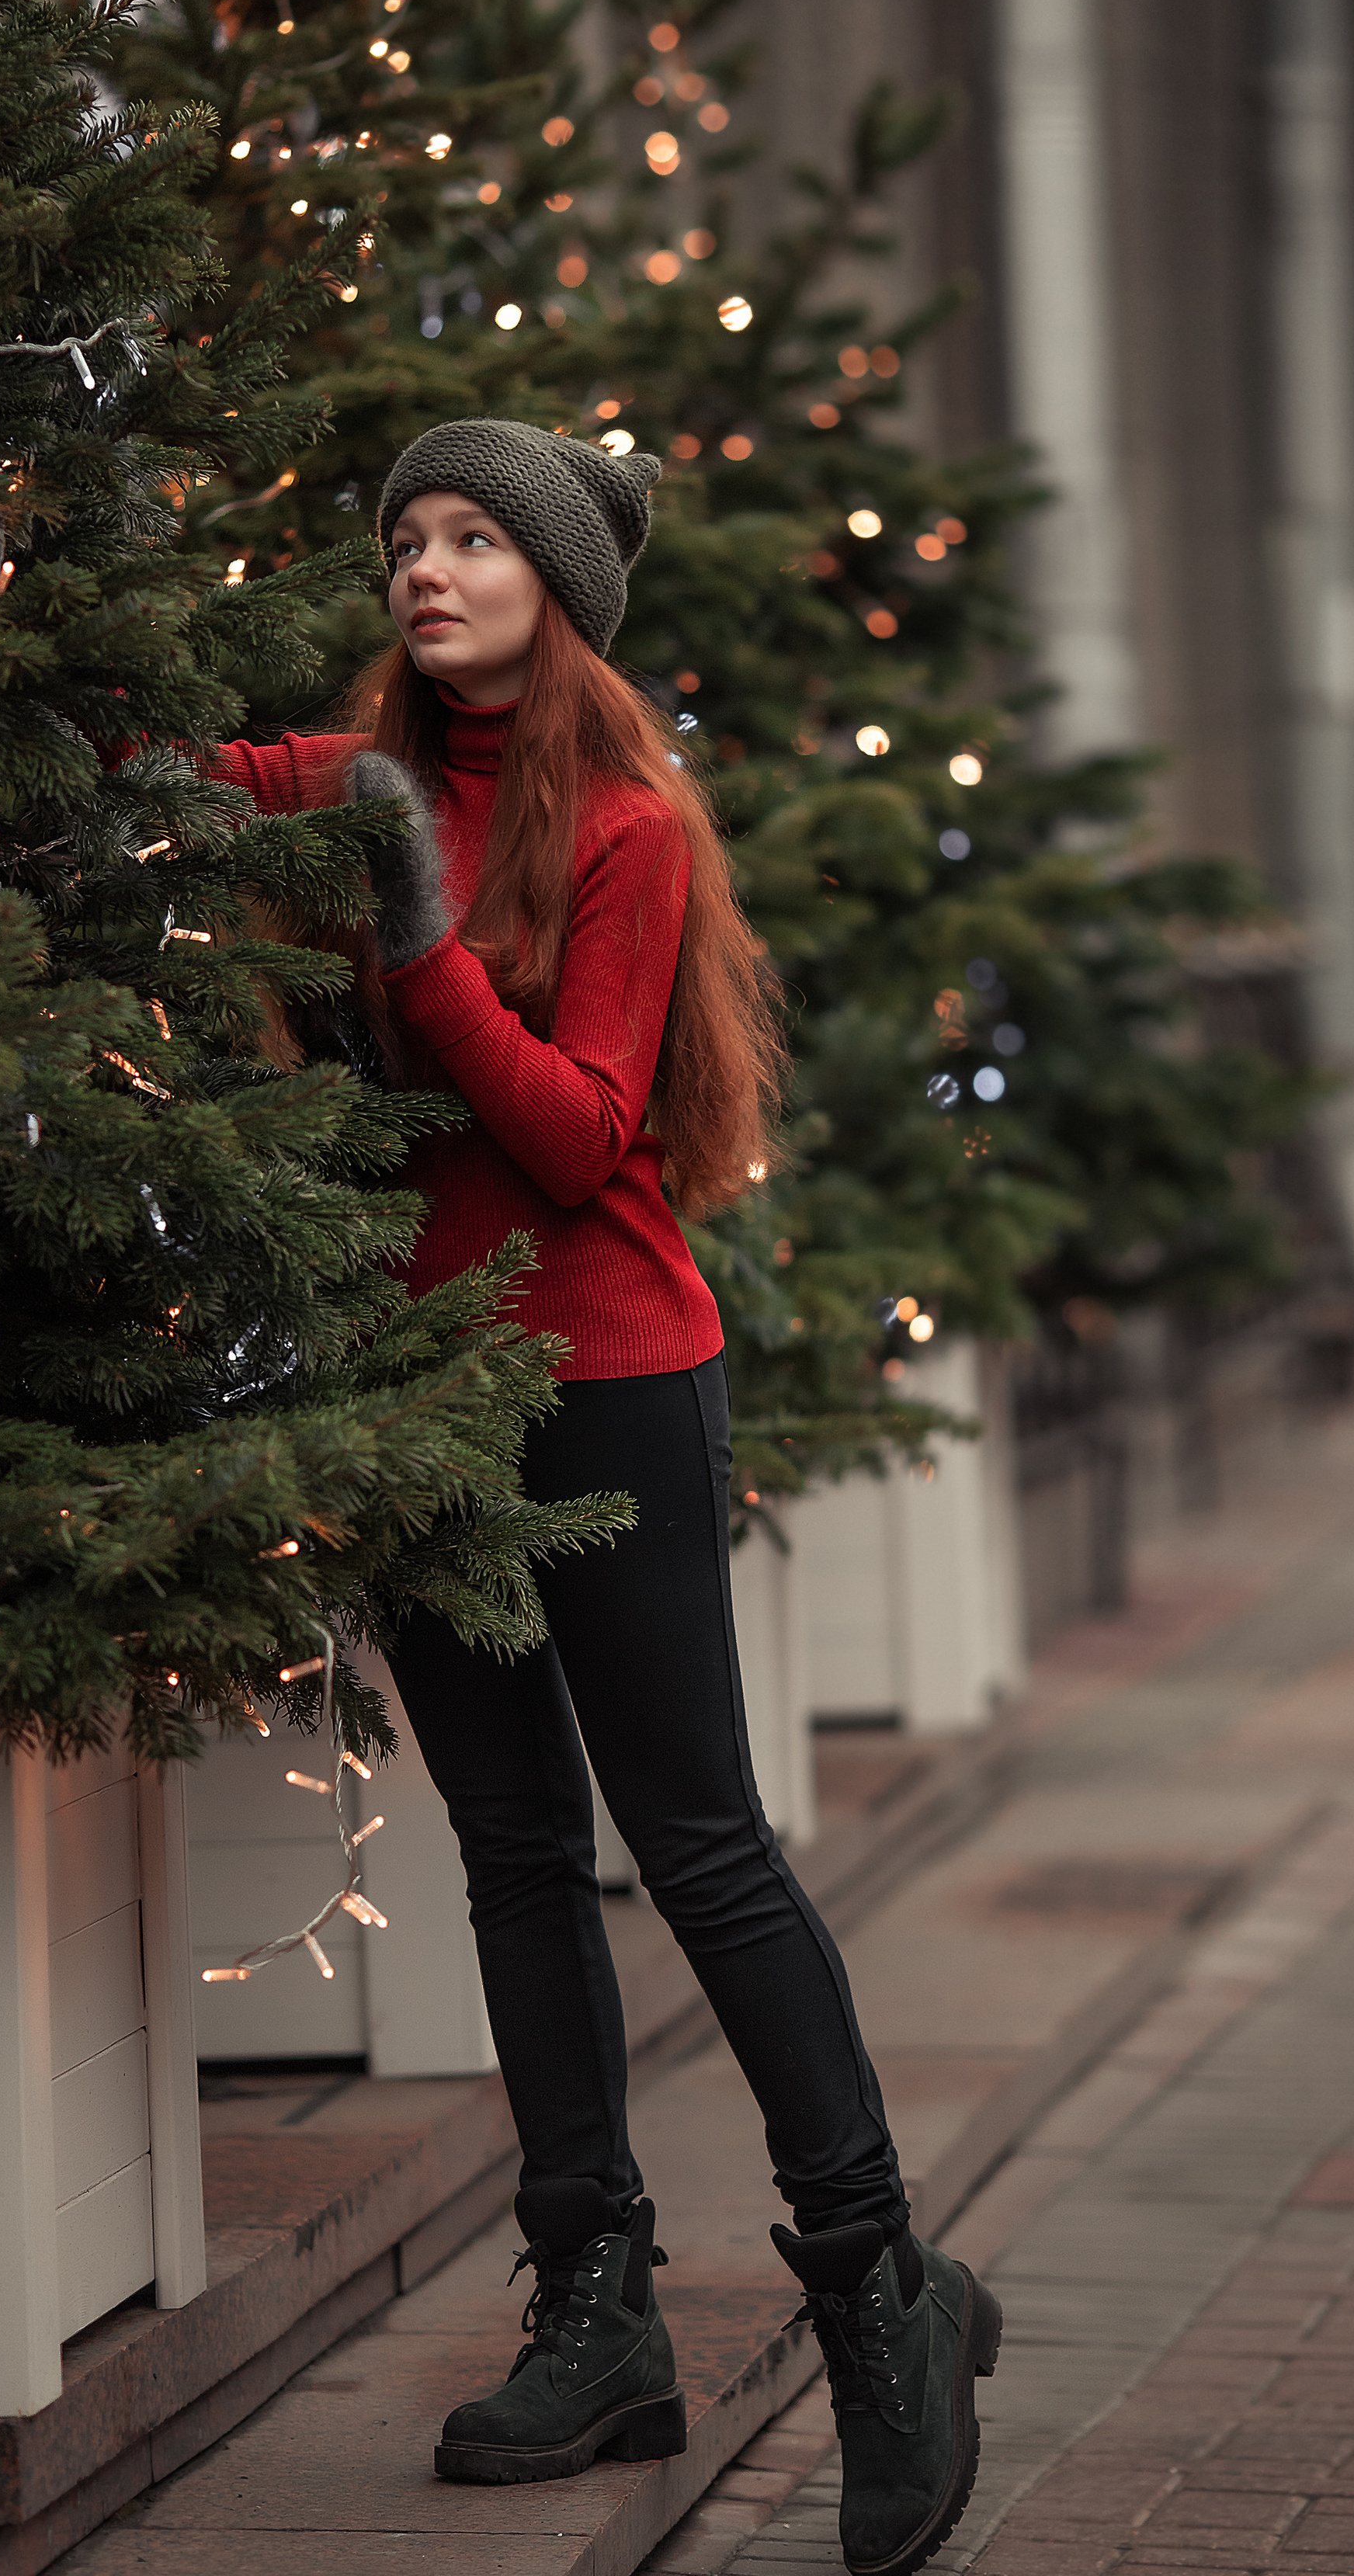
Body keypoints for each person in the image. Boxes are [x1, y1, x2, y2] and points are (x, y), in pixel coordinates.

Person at [207, 418, 1002, 2576]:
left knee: (704, 1846)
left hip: (612, 1381)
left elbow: (574, 1139)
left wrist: (421, 936)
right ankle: (597, 2309)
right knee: (514, 1856)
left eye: (474, 539)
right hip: (423, 1400)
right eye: (406, 539)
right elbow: (176, 771)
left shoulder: (627, 828)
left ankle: (880, 2287)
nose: (426, 569)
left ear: (558, 584)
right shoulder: (371, 782)